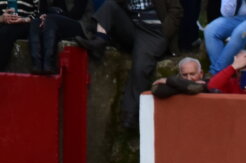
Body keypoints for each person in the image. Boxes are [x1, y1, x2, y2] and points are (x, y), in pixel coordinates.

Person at [73, 0, 182, 130]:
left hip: (153, 32)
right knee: (109, 5)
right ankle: (99, 40)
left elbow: (176, 10)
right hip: (132, 26)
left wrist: (164, 33)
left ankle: (131, 113)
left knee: (141, 67)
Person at [25, 0, 89, 75]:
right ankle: (36, 64)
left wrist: (53, 16)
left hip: (80, 24)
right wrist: (43, 16)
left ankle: (49, 64)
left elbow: (77, 14)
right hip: (52, 22)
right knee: (35, 22)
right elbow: (42, 11)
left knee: (51, 20)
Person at [0, 0, 35, 73]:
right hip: (2, 22)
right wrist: (1, 18)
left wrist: (24, 19)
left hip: (24, 24)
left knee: (5, 32)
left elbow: (41, 12)